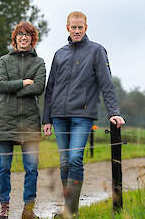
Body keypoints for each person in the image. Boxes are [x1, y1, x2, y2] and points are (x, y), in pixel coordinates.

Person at [42, 11, 125, 218]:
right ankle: (69, 209)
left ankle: (71, 212)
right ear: (67, 28)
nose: (77, 30)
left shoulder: (97, 51)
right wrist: (46, 118)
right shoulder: (59, 53)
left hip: (82, 115)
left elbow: (106, 84)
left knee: (75, 159)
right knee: (64, 162)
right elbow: (50, 88)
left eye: (80, 27)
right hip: (59, 116)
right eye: (73, 27)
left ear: (85, 28)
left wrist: (114, 112)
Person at [0, 21, 46, 219]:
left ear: (33, 39)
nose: (24, 37)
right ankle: (4, 207)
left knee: (31, 168)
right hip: (5, 121)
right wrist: (23, 83)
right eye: (20, 34)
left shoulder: (39, 63)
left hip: (30, 122)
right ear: (15, 38)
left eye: (28, 35)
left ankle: (28, 210)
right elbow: (0, 86)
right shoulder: (4, 61)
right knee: (4, 167)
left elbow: (39, 87)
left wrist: (13, 87)